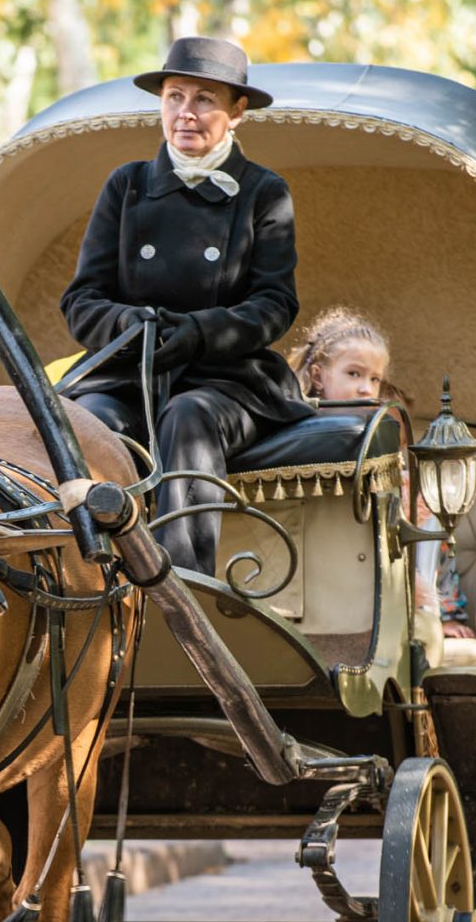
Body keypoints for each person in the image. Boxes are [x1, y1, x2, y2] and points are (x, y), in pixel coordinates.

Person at [60, 34, 313, 573]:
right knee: (86, 423)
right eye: (175, 97)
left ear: (238, 111)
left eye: (204, 100)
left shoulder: (264, 193)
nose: (185, 114)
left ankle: (183, 587)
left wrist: (199, 332)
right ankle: (81, 579)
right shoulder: (125, 186)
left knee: (188, 416)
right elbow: (81, 302)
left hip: (226, 380)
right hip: (128, 373)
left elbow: (274, 304)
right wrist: (130, 325)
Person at [288, 307, 476, 641]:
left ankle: (438, 613)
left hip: (376, 578)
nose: (366, 388)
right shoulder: (293, 435)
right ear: (318, 377)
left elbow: (407, 535)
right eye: (354, 374)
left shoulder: (383, 452)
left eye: (374, 379)